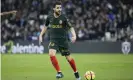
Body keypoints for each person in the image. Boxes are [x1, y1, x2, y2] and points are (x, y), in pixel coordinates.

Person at [39, 1, 81, 80]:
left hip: (63, 41)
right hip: (53, 40)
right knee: (51, 54)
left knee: (69, 58)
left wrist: (74, 35)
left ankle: (76, 72)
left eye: (60, 8)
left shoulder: (64, 17)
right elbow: (45, 26)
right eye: (58, 8)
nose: (59, 9)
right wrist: (41, 35)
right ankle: (59, 72)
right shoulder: (49, 17)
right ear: (54, 9)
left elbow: (70, 27)